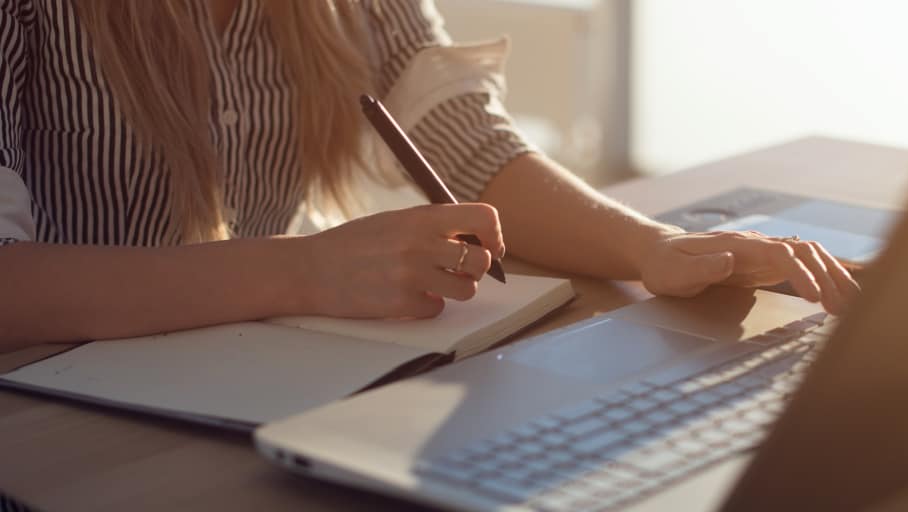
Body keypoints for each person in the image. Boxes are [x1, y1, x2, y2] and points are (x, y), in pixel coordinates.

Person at [0, 0, 858, 353]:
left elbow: (470, 150)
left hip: (250, 375)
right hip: (52, 412)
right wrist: (304, 269)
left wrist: (656, 246)